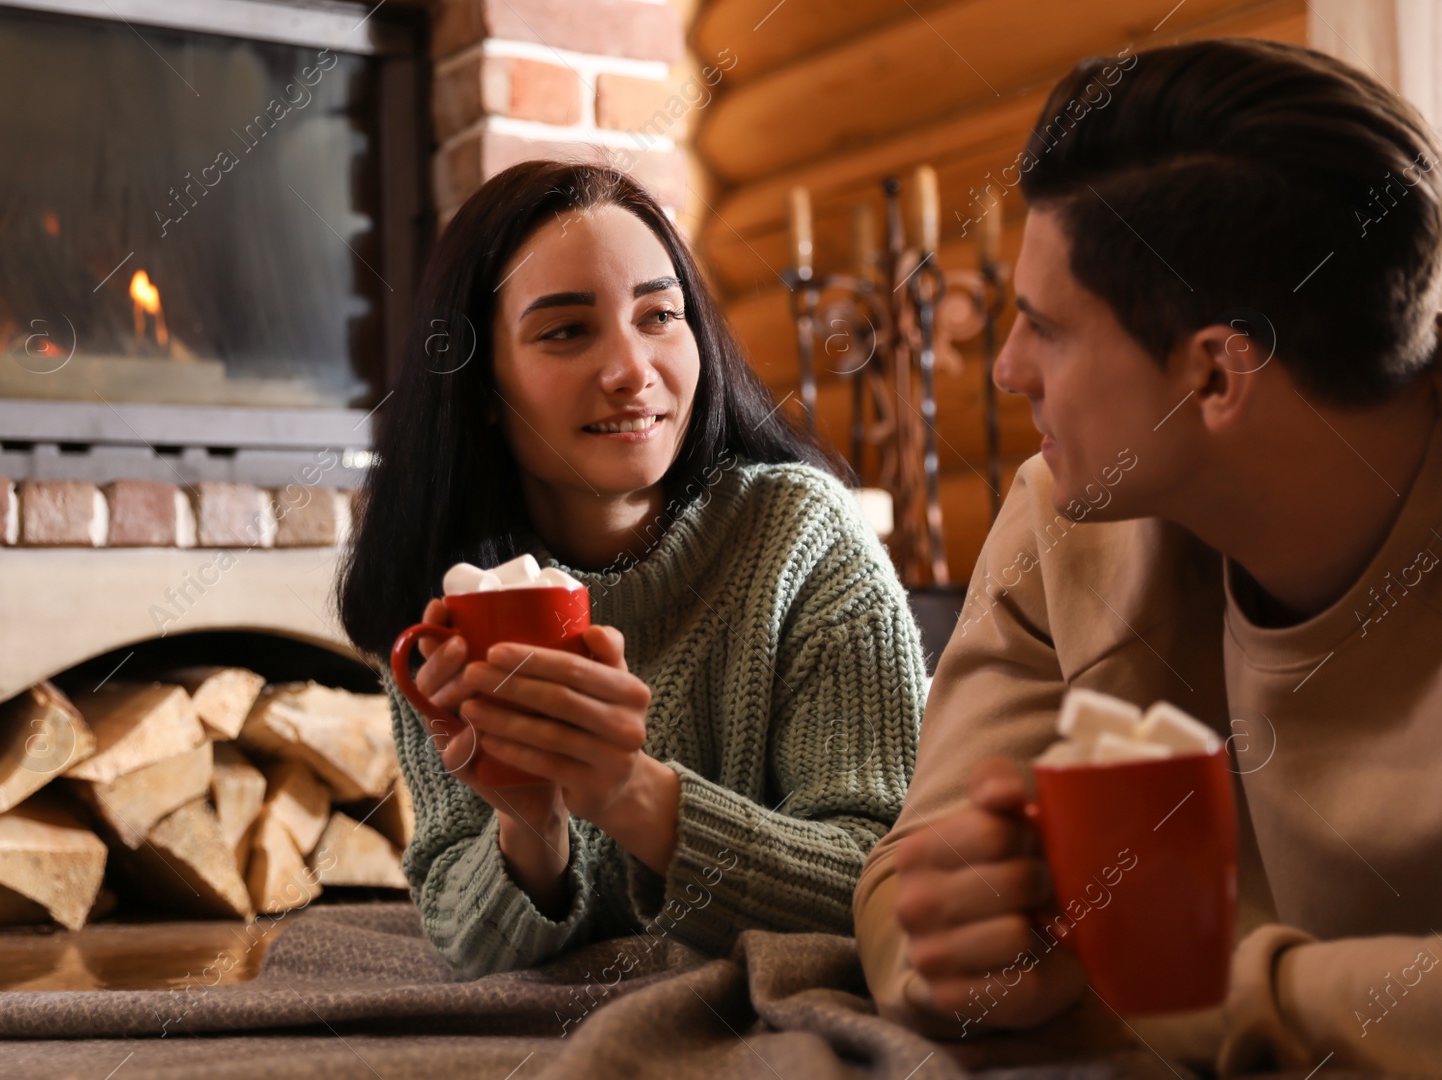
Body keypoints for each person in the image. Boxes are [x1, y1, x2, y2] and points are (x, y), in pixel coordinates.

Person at [853, 37, 1442, 1075]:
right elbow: (916, 870)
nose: (1003, 370)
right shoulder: (1065, 514)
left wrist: (1212, 995)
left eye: (1045, 328)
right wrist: (954, 941)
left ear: (1216, 374)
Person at [338, 160, 925, 978]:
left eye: (659, 316)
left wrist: (631, 795)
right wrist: (529, 829)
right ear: (478, 383)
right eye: (567, 331)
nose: (632, 370)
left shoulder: (800, 537)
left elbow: (896, 883)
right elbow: (464, 943)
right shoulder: (450, 600)